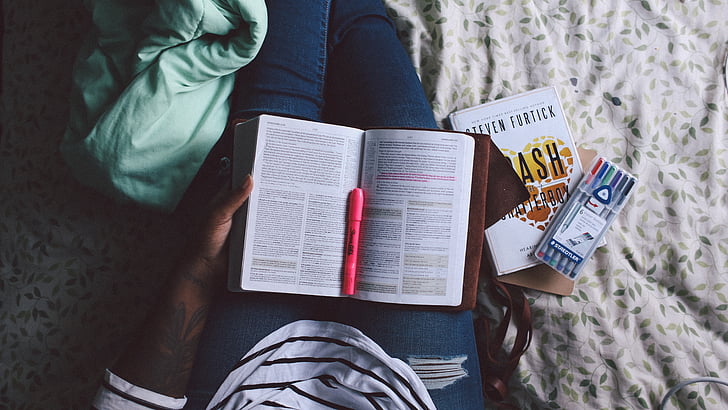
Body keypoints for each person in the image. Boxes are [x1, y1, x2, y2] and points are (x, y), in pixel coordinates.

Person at [93, 0, 485, 408]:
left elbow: (134, 400)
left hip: (244, 390)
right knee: (402, 132)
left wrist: (201, 263)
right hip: (409, 396)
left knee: (277, 113)